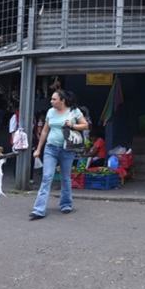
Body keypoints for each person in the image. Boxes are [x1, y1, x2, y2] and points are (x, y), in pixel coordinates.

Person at [30, 89, 88, 219]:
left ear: (62, 100)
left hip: (67, 149)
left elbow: (85, 125)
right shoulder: (50, 112)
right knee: (47, 177)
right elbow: (45, 131)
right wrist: (38, 149)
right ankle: (39, 210)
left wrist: (73, 125)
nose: (51, 101)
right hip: (50, 148)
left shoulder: (74, 111)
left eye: (54, 99)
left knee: (65, 178)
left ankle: (66, 204)